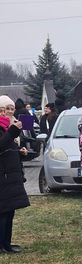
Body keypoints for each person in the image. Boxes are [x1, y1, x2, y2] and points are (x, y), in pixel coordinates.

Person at [0, 105, 30, 254]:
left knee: (10, 211)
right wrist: (12, 131)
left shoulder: (7, 127)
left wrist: (19, 151)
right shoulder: (6, 129)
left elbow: (7, 148)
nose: (7, 112)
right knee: (3, 211)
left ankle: (7, 243)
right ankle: (1, 245)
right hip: (3, 175)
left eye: (11, 109)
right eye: (3, 110)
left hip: (10, 175)